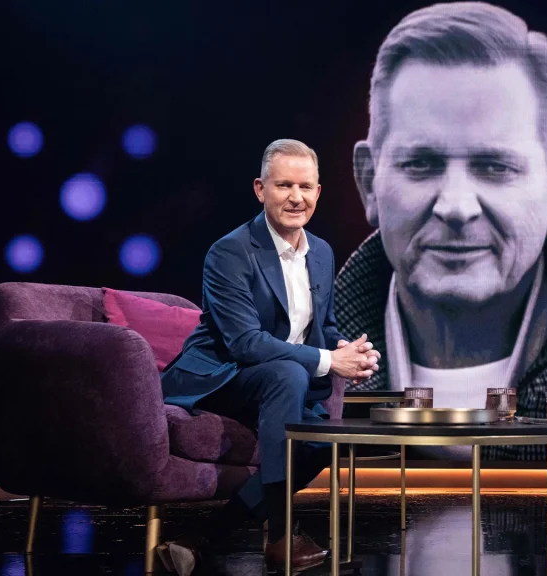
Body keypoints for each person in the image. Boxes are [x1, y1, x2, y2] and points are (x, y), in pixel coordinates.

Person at [336, 1, 547, 460]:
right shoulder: (293, 371)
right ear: (368, 182)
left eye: (495, 166)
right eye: (421, 163)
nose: (455, 207)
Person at [157, 139, 381, 573]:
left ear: (318, 192)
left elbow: (324, 326)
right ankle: (280, 537)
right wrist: (328, 362)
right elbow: (245, 343)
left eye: (305, 187)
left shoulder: (321, 252)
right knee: (287, 375)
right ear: (261, 189)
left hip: (279, 381)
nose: (296, 197)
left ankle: (202, 539)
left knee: (327, 442)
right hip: (222, 376)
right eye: (284, 185)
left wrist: (346, 351)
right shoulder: (230, 251)